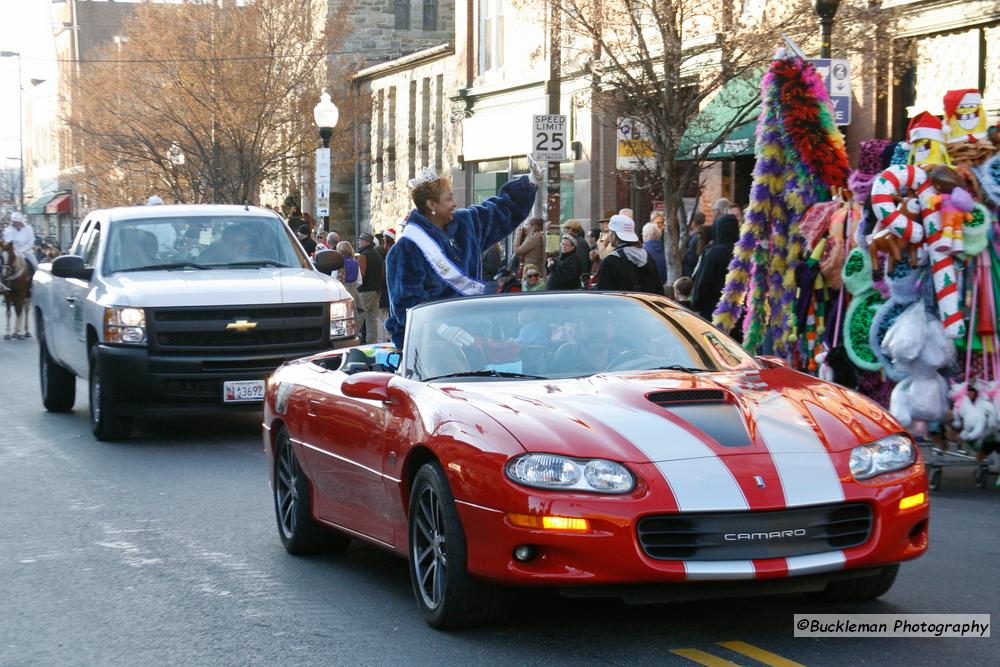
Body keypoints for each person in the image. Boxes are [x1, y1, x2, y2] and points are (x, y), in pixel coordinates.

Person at [384, 164, 539, 348]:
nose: (454, 204)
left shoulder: (466, 223)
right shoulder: (407, 249)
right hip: (430, 345)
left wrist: (529, 183)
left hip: (475, 337)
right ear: (431, 204)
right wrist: (440, 329)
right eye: (448, 199)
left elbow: (498, 213)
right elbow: (406, 306)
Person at [595, 214, 663, 294]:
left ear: (615, 235)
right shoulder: (647, 256)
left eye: (610, 231)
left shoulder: (610, 261)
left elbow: (603, 294)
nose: (608, 235)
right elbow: (659, 289)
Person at [692, 213, 739, 321]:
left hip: (713, 309)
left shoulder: (715, 253)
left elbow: (704, 282)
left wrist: (697, 303)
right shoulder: (742, 252)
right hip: (736, 308)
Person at [356, 232, 383, 344]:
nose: (358, 242)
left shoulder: (363, 255)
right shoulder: (377, 255)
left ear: (365, 241)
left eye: (360, 240)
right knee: (372, 319)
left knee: (358, 317)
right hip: (376, 290)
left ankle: (352, 340)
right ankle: (372, 343)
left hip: (365, 291)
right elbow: (382, 274)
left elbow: (361, 274)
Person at [334, 241, 365, 334]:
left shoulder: (337, 263)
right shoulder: (355, 263)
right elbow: (359, 281)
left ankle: (340, 333)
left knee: (339, 315)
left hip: (340, 290)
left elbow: (333, 278)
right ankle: (353, 331)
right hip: (352, 290)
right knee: (354, 313)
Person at [378, 229, 396, 342]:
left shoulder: (390, 251)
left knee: (384, 314)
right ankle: (387, 336)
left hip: (386, 286)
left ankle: (386, 336)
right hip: (388, 286)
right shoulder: (390, 250)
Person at [682, 210, 705, 277]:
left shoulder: (697, 237)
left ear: (693, 222)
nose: (687, 222)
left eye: (689, 219)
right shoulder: (700, 234)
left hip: (691, 272)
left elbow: (691, 255)